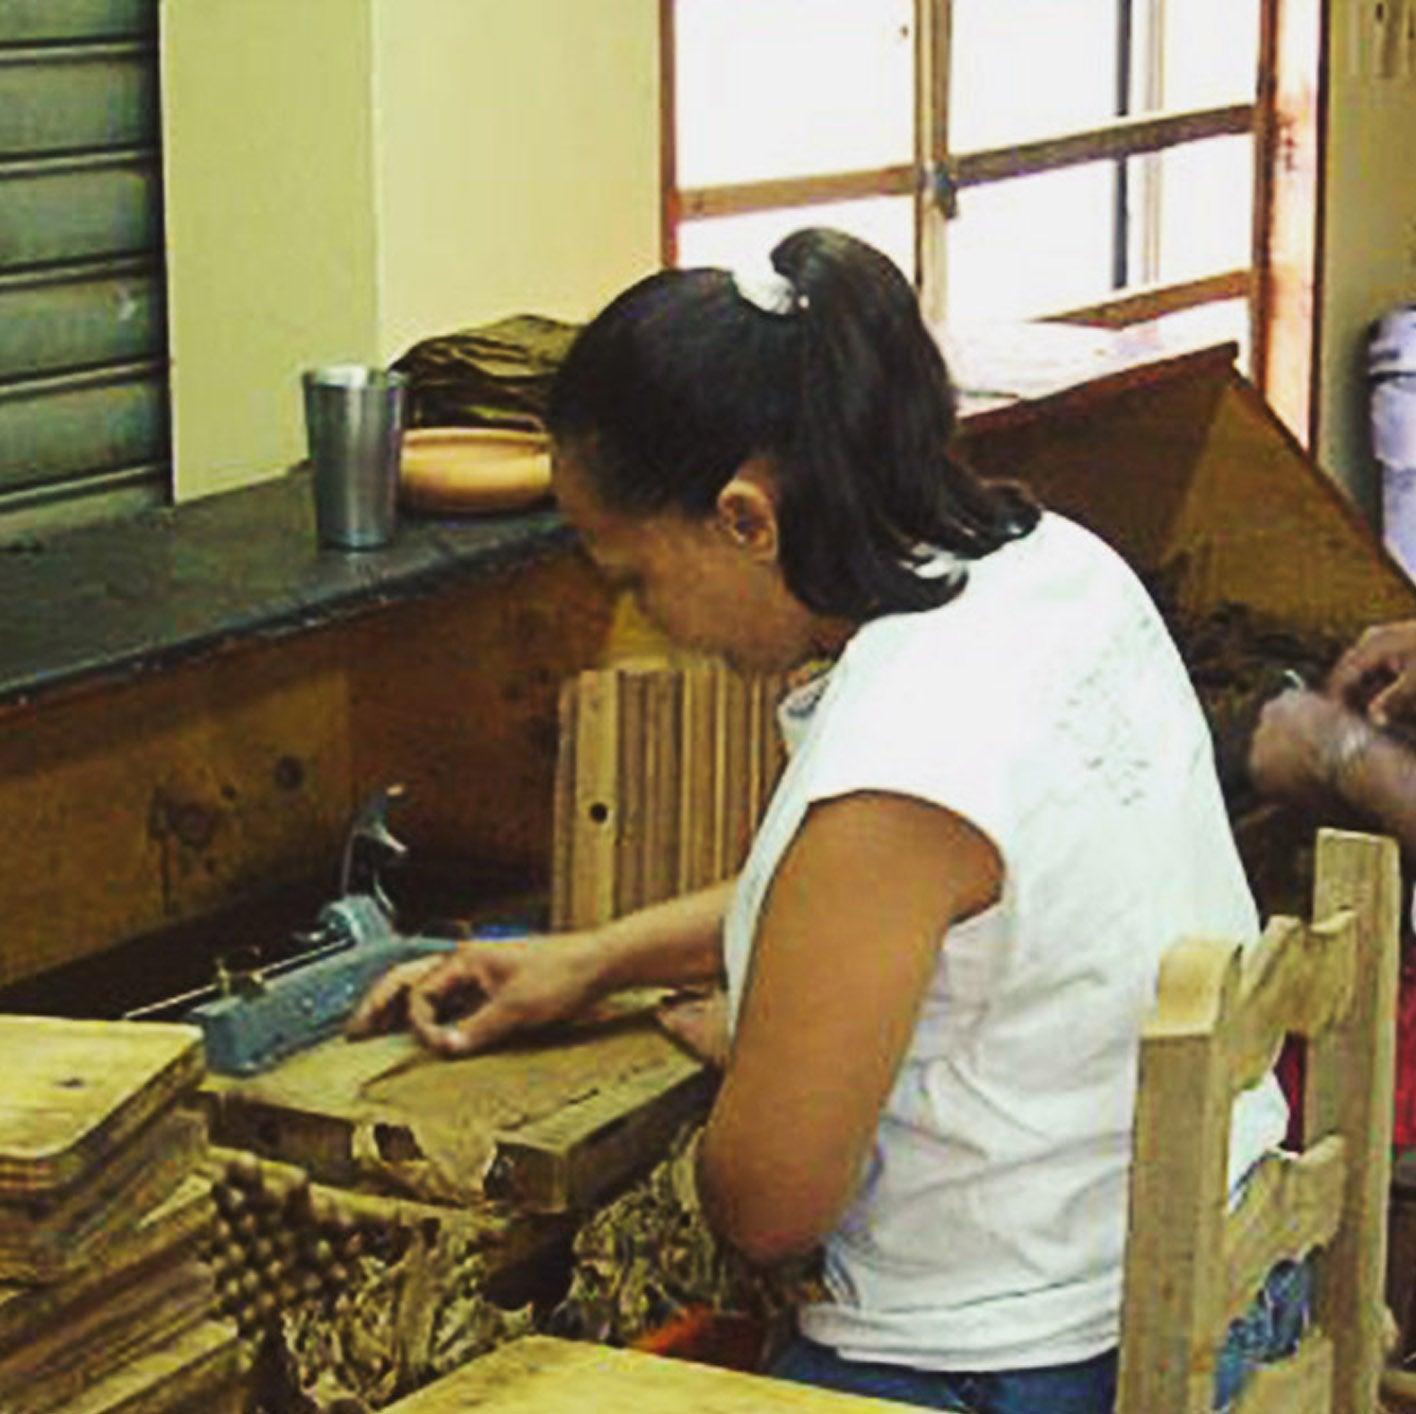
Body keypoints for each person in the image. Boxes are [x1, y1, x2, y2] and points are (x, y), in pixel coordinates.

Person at [349, 228, 1288, 1413]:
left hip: (1032, 1353)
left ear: (747, 518)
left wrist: (771, 1051)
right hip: (1230, 1268)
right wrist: (594, 959)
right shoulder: (1053, 566)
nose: (646, 621)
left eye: (633, 575)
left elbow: (768, 1204)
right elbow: (882, 897)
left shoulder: (902, 757)